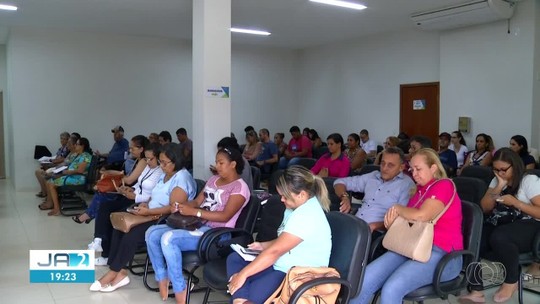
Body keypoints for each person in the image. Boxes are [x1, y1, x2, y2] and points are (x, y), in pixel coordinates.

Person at [351, 148, 463, 304]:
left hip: (443, 256)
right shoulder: (418, 192)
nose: (414, 173)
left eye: (418, 169)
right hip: (410, 247)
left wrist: (397, 208)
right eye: (412, 169)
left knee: (392, 287)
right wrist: (392, 225)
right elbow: (408, 225)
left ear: (433, 168)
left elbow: (423, 215)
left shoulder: (444, 185)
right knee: (365, 279)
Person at [146, 147, 250, 303]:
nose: (217, 166)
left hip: (216, 234)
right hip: (196, 225)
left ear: (233, 164)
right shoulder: (213, 180)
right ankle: (162, 277)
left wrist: (195, 213)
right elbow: (196, 202)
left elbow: (225, 216)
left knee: (168, 238)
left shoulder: (239, 187)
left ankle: (180, 287)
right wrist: (181, 206)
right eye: (216, 162)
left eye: (221, 163)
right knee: (152, 233)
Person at [89, 144, 197, 293]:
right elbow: (155, 195)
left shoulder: (182, 178)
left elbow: (173, 208)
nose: (162, 166)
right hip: (150, 212)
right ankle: (117, 270)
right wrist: (146, 204)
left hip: (165, 218)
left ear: (176, 161)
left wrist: (148, 212)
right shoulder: (166, 174)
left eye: (165, 163)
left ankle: (114, 272)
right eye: (160, 162)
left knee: (131, 235)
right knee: (119, 227)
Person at [226, 166, 332, 304]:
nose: (282, 199)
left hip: (295, 273)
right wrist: (262, 245)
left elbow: (275, 251)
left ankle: (240, 299)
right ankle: (241, 300)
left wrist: (242, 275)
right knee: (235, 258)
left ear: (302, 194)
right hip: (282, 262)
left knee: (244, 282)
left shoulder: (307, 215)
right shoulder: (294, 207)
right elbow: (285, 241)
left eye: (285, 196)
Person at [460, 148, 540, 303]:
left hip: (531, 224)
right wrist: (498, 186)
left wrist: (516, 203)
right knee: (475, 237)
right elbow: (484, 208)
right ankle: (476, 289)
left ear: (514, 166)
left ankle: (511, 281)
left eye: (503, 170)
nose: (499, 173)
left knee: (500, 236)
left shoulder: (529, 180)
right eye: (496, 169)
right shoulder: (497, 180)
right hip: (505, 222)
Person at [87, 143, 164, 263]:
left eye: (151, 159)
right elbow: (140, 183)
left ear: (159, 158)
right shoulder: (148, 167)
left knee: (114, 216)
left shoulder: (161, 172)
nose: (148, 161)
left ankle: (109, 256)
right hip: (134, 197)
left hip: (142, 202)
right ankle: (99, 241)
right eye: (146, 158)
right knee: (105, 206)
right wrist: (131, 189)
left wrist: (135, 196)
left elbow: (154, 195)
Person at [334, 147, 414, 235]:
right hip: (356, 225)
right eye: (383, 163)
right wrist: (344, 197)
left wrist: (375, 226)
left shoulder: (406, 185)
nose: (384, 168)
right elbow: (339, 182)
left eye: (390, 165)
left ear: (401, 167)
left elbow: (401, 218)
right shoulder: (373, 176)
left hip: (378, 233)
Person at [72, 135, 150, 224]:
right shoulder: (138, 160)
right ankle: (89, 215)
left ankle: (89, 215)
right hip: (126, 189)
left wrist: (116, 175)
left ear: (141, 149)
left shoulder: (143, 161)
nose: (130, 151)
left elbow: (129, 180)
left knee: (102, 195)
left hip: (130, 192)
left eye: (132, 149)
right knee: (100, 193)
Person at [39, 137, 93, 216]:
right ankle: (53, 205)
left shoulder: (86, 156)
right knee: (49, 182)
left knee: (51, 184)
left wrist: (67, 172)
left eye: (77, 144)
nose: (75, 146)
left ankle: (56, 209)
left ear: (82, 146)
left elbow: (80, 171)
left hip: (78, 178)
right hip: (71, 176)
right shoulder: (78, 155)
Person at [35, 132, 75, 198]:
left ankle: (47, 195)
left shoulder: (68, 150)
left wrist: (51, 162)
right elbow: (57, 157)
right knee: (39, 171)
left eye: (63, 139)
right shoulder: (62, 148)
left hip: (60, 168)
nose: (61, 140)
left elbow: (62, 159)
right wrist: (49, 161)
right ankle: (45, 192)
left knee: (43, 173)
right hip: (57, 166)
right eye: (61, 139)